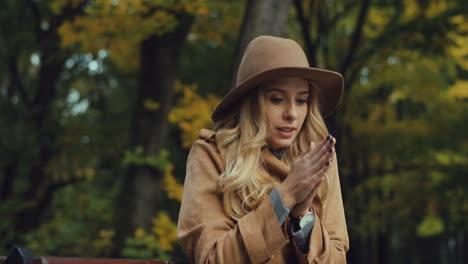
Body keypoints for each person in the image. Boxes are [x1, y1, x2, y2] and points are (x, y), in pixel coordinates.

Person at [177, 35, 349, 263]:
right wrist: (285, 196)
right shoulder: (211, 155)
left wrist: (303, 218)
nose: (292, 114)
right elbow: (212, 258)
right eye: (277, 99)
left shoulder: (318, 158)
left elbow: (338, 257)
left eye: (301, 100)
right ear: (250, 102)